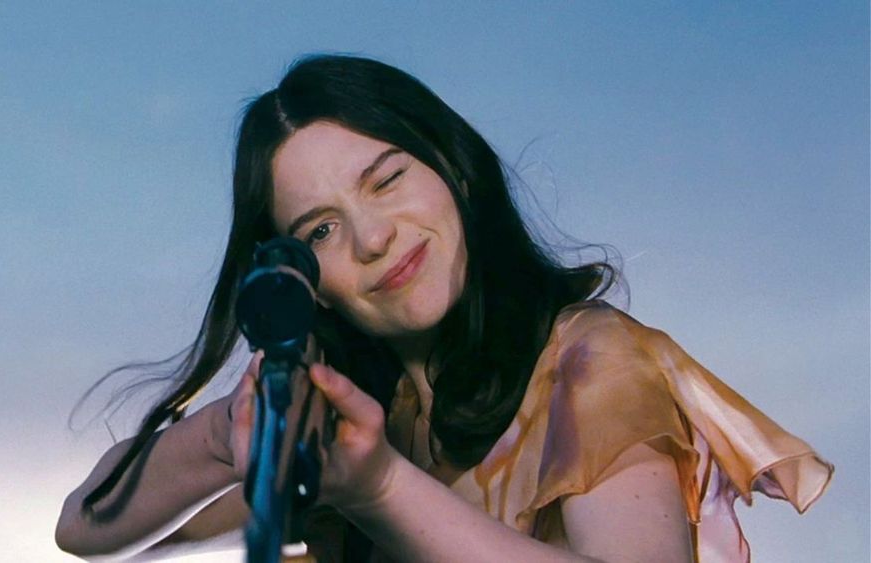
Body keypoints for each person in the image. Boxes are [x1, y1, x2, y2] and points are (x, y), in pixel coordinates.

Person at [55, 55, 833, 562]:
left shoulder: (591, 359)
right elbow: (85, 524)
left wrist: (381, 488)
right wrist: (228, 437)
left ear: (452, 168)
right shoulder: (360, 406)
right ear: (307, 279)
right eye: (320, 229)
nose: (372, 237)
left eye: (387, 178)